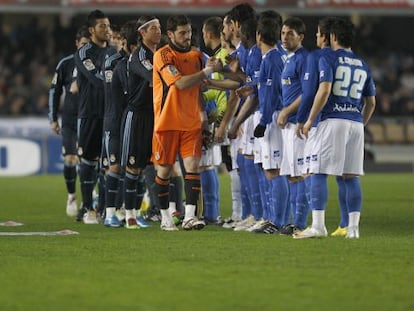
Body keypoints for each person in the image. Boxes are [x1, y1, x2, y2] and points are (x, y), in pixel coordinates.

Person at [293, 17, 376, 239]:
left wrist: (310, 119)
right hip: (355, 123)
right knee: (351, 176)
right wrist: (361, 122)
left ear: (333, 37)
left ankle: (318, 226)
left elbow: (324, 89)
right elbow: (372, 102)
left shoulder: (327, 57)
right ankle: (353, 228)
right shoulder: (362, 63)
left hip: (333, 119)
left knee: (318, 171)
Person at [152, 14, 222, 231]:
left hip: (191, 122)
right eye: (182, 33)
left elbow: (200, 87)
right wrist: (206, 71)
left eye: (189, 32)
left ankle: (190, 216)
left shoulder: (196, 55)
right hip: (167, 122)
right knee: (163, 172)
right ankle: (165, 216)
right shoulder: (162, 55)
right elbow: (180, 84)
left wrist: (203, 118)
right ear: (170, 34)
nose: (187, 36)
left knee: (192, 168)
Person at [294, 17, 349, 237]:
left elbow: (309, 93)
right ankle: (346, 225)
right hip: (348, 119)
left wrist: (302, 119)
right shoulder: (350, 59)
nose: (315, 38)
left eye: (317, 34)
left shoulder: (317, 56)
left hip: (321, 122)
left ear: (325, 37)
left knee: (313, 171)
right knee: (347, 175)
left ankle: (317, 225)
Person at [120, 16, 162, 229]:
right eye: (153, 28)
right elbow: (153, 76)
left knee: (152, 166)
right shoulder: (140, 56)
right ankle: (129, 214)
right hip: (136, 117)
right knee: (133, 167)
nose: (158, 31)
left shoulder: (159, 54)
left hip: (153, 115)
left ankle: (150, 211)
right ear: (142, 33)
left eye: (159, 28)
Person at [74, 9, 113, 224]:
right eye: (102, 26)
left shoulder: (115, 52)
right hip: (89, 114)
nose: (107, 30)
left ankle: (105, 209)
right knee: (88, 163)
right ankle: (87, 208)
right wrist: (113, 81)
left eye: (107, 26)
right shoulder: (83, 53)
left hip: (109, 115)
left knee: (108, 164)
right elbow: (96, 79)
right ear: (91, 30)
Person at [48, 25, 90, 217]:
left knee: (90, 163)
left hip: (91, 119)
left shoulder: (98, 63)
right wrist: (53, 118)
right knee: (71, 159)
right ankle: (72, 195)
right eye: (83, 44)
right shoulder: (65, 64)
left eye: (88, 45)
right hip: (71, 120)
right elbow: (54, 91)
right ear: (76, 44)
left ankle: (92, 199)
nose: (85, 48)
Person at [101, 20, 137, 228]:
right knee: (114, 167)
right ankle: (109, 213)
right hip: (114, 121)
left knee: (132, 167)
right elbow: (112, 94)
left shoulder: (138, 61)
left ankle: (127, 210)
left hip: (132, 121)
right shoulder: (112, 63)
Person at [276, 17, 309, 235]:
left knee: (301, 173)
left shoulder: (304, 59)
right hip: (289, 125)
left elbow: (308, 92)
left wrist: (287, 111)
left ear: (301, 37)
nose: (285, 37)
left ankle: (300, 222)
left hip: (299, 124)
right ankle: (295, 221)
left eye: (290, 33)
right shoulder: (289, 58)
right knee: (291, 174)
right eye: (283, 33)